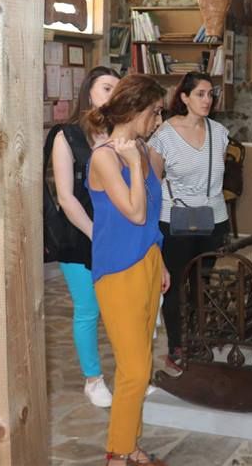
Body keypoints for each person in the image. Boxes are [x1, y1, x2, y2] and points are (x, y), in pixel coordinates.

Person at [83, 74, 171, 466]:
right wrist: (134, 165)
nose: (159, 121)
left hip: (147, 261)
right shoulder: (104, 157)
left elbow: (150, 218)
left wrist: (160, 259)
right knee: (135, 370)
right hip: (117, 270)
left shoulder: (146, 152)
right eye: (155, 112)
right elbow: (134, 213)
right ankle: (118, 452)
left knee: (141, 363)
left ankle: (130, 444)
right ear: (135, 110)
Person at [148, 72, 230, 374]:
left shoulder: (219, 132)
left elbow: (217, 176)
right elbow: (154, 180)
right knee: (174, 285)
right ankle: (176, 346)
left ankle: (197, 338)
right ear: (184, 97)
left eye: (210, 94)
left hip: (213, 218)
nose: (207, 100)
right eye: (200, 94)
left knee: (202, 283)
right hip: (175, 219)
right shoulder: (164, 135)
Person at [48, 65, 120, 407]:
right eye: (106, 87)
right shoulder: (67, 136)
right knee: (88, 308)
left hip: (117, 232)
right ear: (88, 91)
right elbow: (66, 197)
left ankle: (133, 374)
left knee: (123, 307)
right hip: (79, 235)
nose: (113, 95)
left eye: (118, 89)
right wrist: (96, 235)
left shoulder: (121, 134)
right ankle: (93, 379)